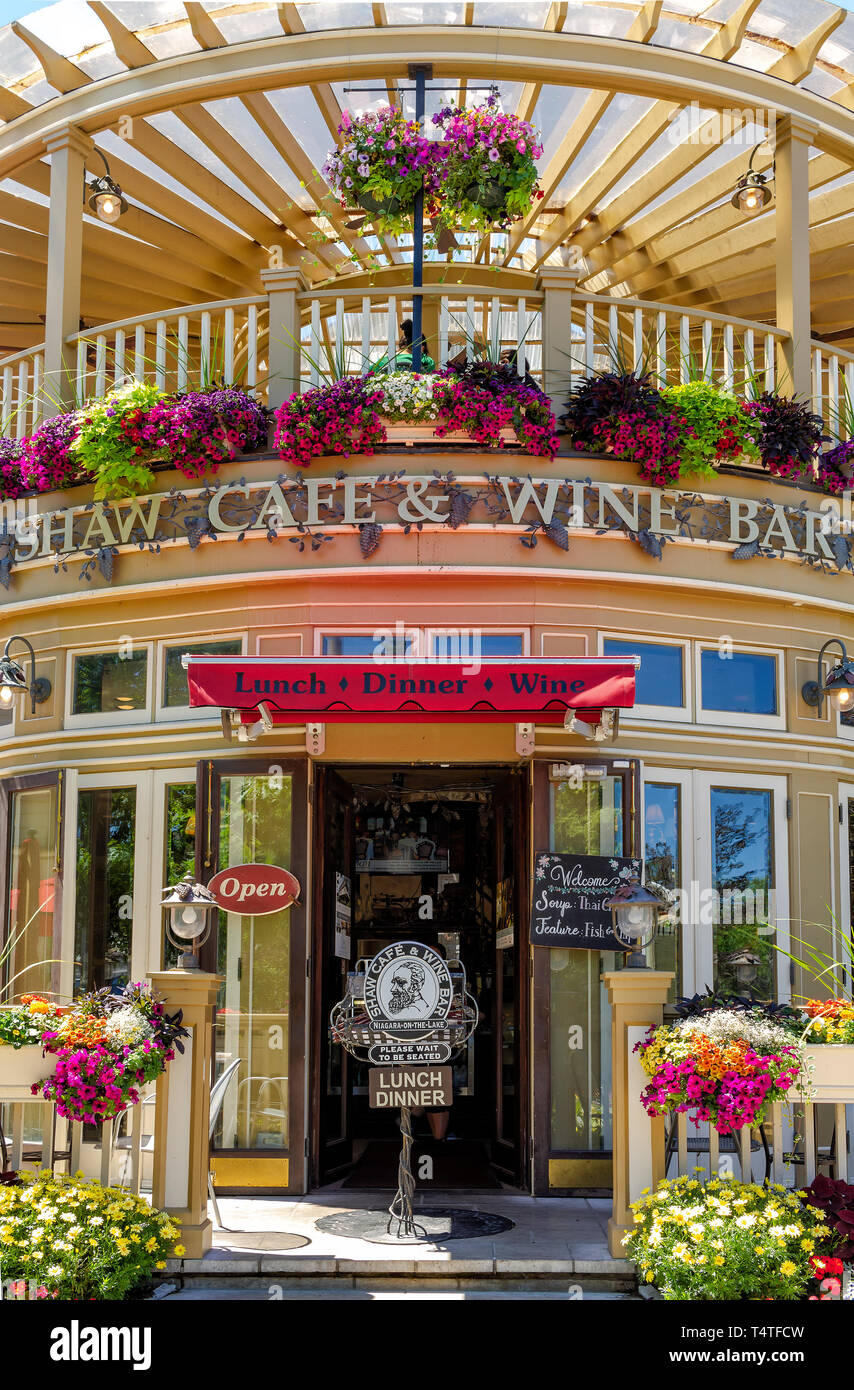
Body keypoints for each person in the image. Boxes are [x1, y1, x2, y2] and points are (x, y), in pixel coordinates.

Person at [367, 318, 435, 375]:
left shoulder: (386, 360)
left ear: (400, 346)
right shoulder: (426, 360)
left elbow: (370, 373)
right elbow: (431, 380)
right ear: (422, 348)